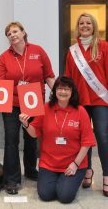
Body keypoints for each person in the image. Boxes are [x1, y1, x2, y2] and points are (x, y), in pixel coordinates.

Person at [0, 21, 55, 194]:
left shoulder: (38, 51)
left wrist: (62, 93)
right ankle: (12, 180)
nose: (12, 35)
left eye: (15, 31)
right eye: (8, 34)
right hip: (13, 104)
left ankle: (30, 170)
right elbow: (0, 84)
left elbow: (49, 76)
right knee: (11, 140)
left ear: (23, 33)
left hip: (34, 102)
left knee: (32, 138)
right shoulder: (4, 57)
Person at [19, 76, 96, 203]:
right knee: (46, 195)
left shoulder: (80, 111)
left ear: (72, 92)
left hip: (73, 164)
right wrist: (26, 124)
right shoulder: (45, 108)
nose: (63, 92)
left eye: (67, 89)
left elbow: (87, 142)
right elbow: (34, 133)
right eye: (60, 88)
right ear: (55, 91)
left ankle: (68, 181)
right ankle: (59, 180)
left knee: (65, 197)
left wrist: (75, 164)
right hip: (49, 164)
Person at [65, 13, 108, 197]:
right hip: (80, 101)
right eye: (81, 23)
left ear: (94, 26)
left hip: (100, 100)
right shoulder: (72, 50)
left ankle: (106, 175)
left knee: (103, 136)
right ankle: (88, 170)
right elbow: (68, 78)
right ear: (77, 26)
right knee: (83, 139)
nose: (84, 25)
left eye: (88, 23)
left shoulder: (104, 47)